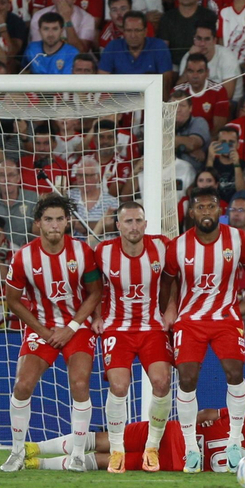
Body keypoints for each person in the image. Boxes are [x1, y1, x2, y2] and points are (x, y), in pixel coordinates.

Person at [0, 195, 102, 472]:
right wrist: (44, 332)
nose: (54, 225)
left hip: (77, 327)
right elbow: (13, 301)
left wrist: (71, 328)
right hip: (42, 328)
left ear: (67, 221)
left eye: (59, 219)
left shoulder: (82, 252)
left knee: (79, 383)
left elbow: (95, 293)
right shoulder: (23, 257)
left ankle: (77, 454)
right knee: (22, 385)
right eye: (48, 219)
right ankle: (17, 452)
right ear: (38, 224)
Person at [166, 185, 245, 473]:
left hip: (226, 317)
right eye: (200, 207)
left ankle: (234, 442)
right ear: (192, 212)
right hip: (190, 320)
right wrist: (168, 310)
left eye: (211, 206)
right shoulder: (178, 246)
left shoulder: (238, 239)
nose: (206, 212)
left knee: (235, 373)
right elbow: (167, 282)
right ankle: (191, 449)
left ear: (220, 210)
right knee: (187, 379)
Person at [92, 201, 174, 473]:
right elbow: (91, 285)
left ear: (146, 223)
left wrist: (171, 309)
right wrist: (96, 315)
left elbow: (176, 278)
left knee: (162, 382)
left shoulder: (161, 246)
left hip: (152, 327)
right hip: (117, 328)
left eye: (138, 221)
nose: (134, 226)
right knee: (119, 386)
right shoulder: (104, 251)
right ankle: (117, 450)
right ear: (118, 226)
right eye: (128, 221)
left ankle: (152, 447)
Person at [28, 404, 245, 473]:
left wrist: (201, 422)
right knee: (108, 461)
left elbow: (204, 414)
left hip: (170, 435)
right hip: (174, 463)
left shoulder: (243, 418)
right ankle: (38, 465)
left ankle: (35, 449)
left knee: (106, 440)